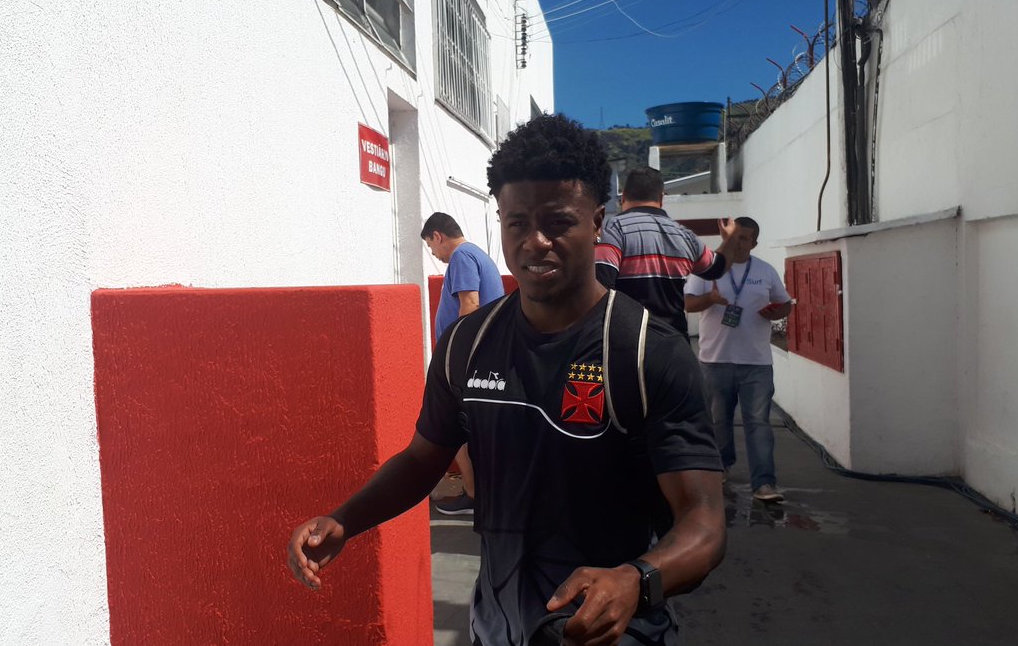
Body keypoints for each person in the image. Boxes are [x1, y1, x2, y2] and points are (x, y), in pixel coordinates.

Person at [288, 114, 725, 646]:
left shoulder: (646, 351)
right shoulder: (466, 345)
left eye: (558, 221)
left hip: (609, 633)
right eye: (517, 223)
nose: (535, 241)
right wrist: (345, 519)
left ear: (597, 223)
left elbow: (705, 522)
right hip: (496, 625)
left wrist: (638, 579)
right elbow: (423, 460)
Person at [684, 217, 792, 502]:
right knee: (718, 421)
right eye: (734, 236)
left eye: (744, 238)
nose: (738, 242)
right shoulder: (707, 269)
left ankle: (764, 484)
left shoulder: (765, 271)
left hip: (756, 363)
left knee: (758, 423)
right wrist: (711, 300)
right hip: (715, 361)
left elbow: (785, 304)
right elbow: (687, 303)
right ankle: (720, 467)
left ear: (754, 243)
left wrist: (778, 312)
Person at [421, 212, 506, 516]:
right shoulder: (477, 255)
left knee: (456, 430)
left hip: (471, 361)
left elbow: (469, 305)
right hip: (486, 358)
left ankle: (473, 496)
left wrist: (456, 358)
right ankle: (484, 496)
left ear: (438, 236)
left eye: (431, 246)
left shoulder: (461, 257)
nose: (434, 254)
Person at [594, 166, 738, 335]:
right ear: (661, 198)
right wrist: (730, 240)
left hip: (630, 341)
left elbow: (599, 286)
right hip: (675, 341)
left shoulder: (613, 230)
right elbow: (717, 267)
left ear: (623, 196)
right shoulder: (685, 236)